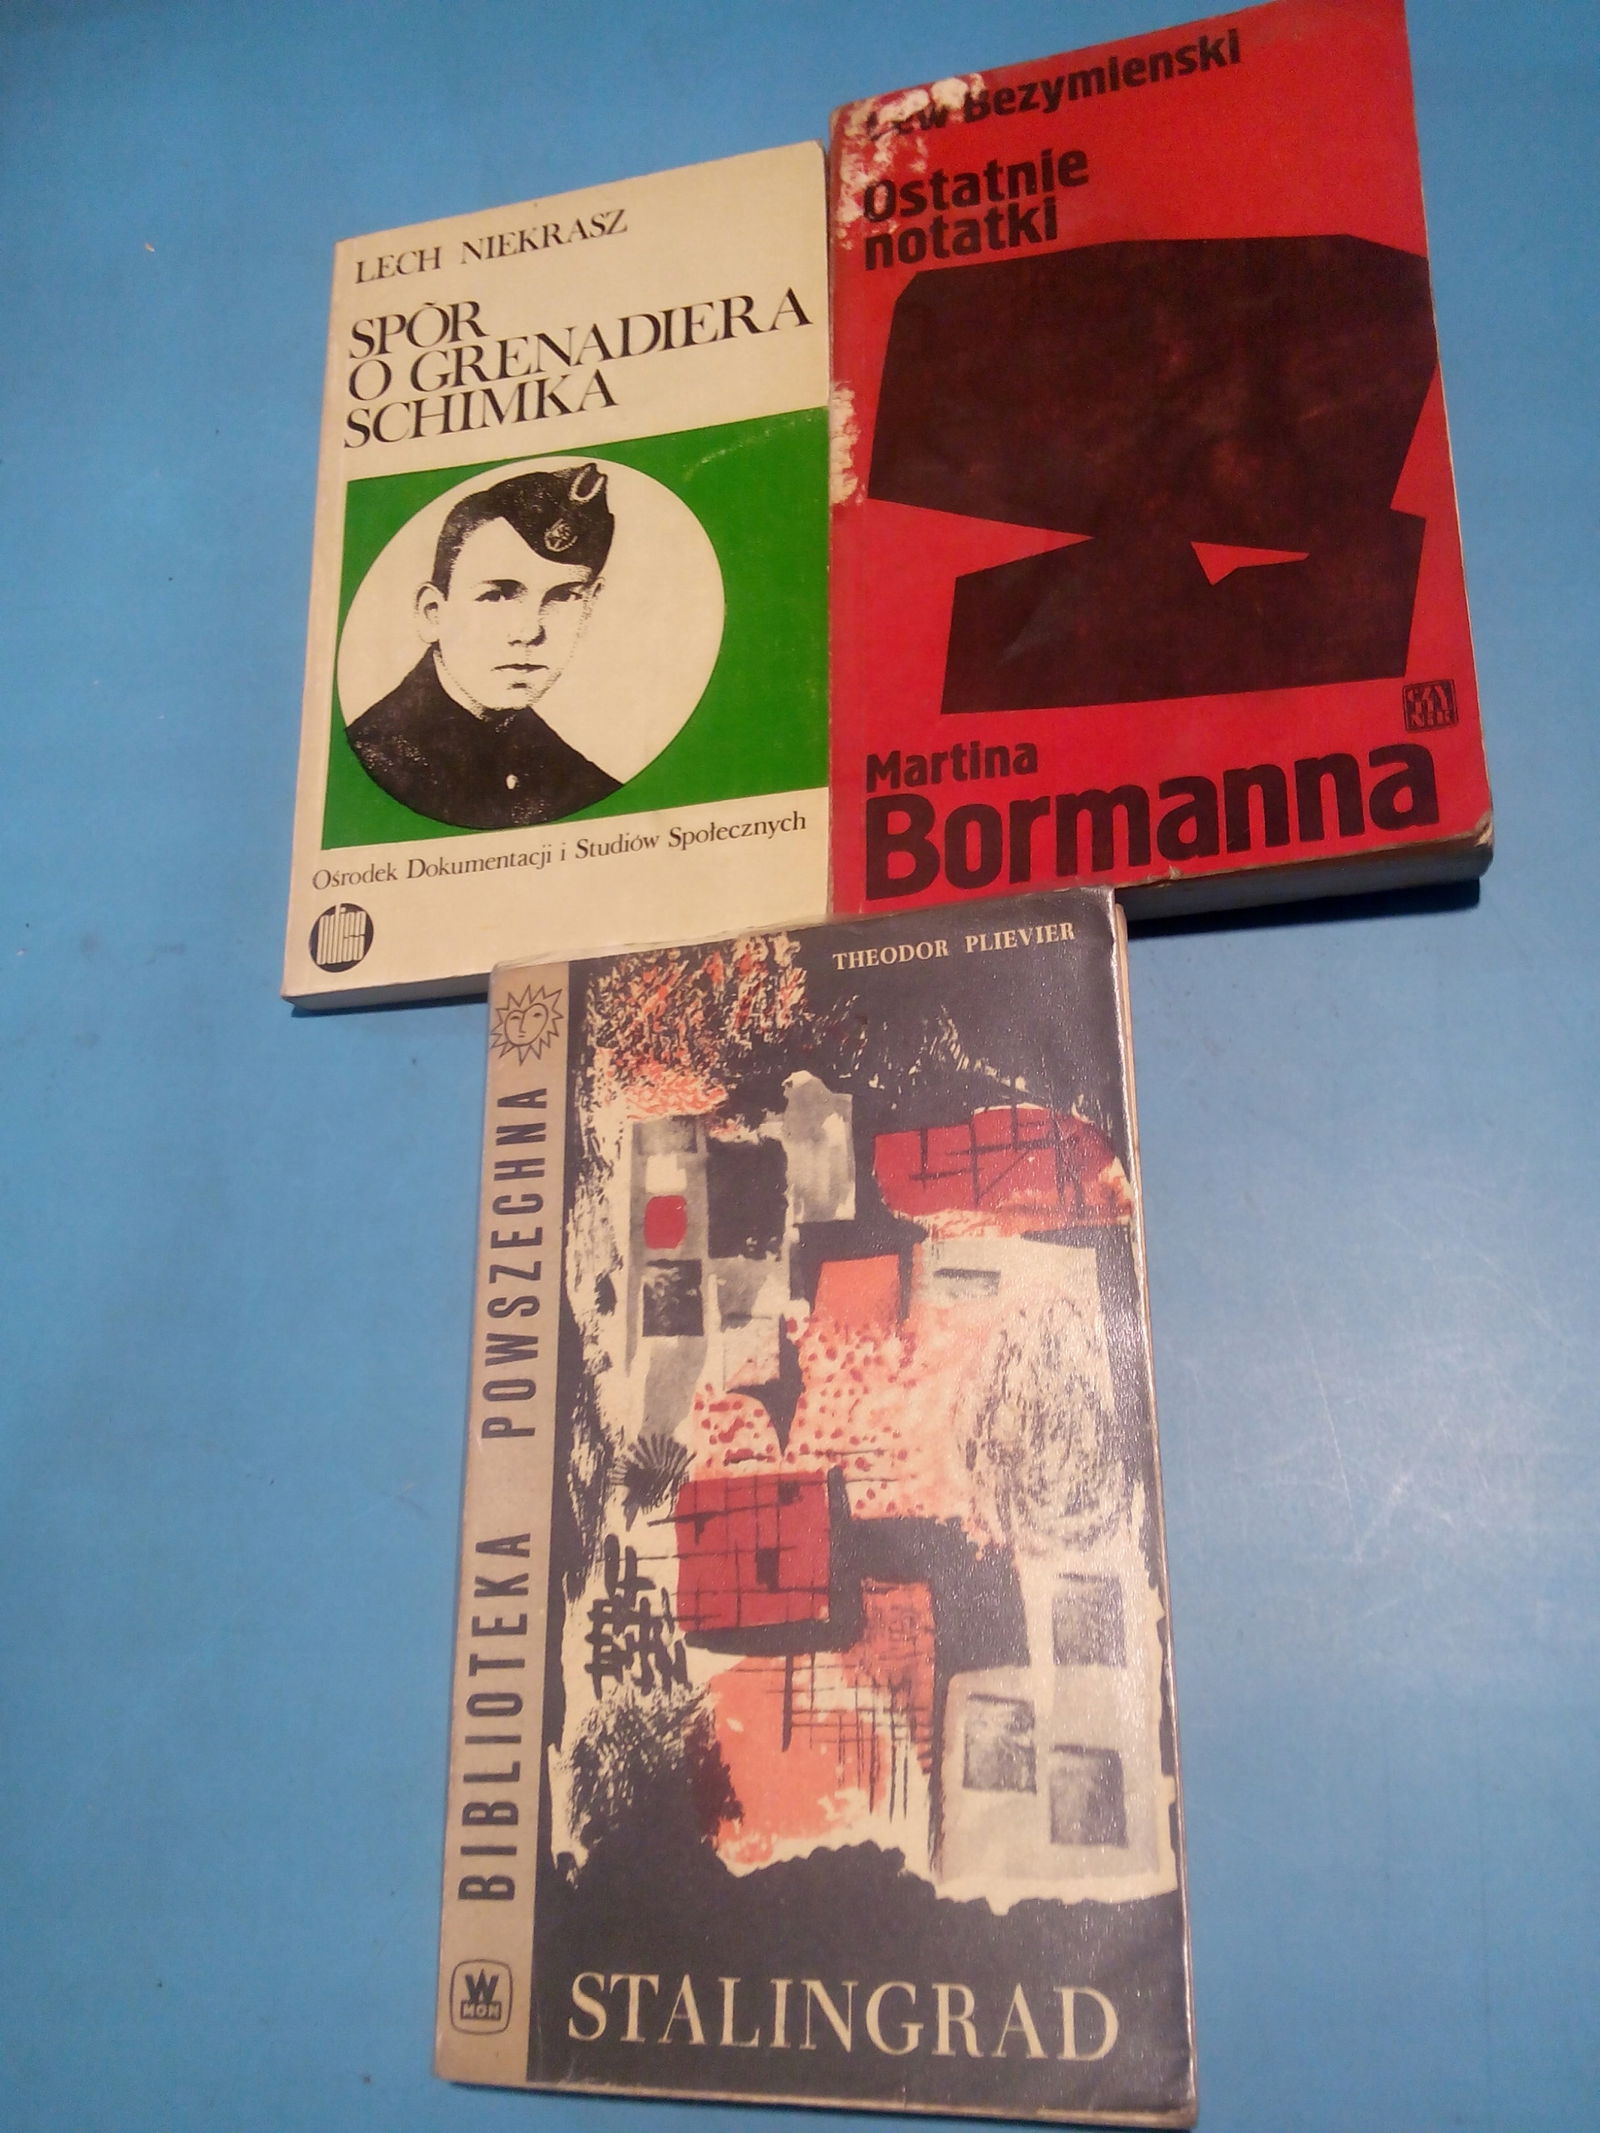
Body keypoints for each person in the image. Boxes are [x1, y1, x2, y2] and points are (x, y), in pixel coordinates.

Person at [347, 463, 620, 830]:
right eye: (496, 595)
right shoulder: (371, 766)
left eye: (563, 596)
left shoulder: (585, 784)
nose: (529, 631)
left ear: (589, 607)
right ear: (433, 613)